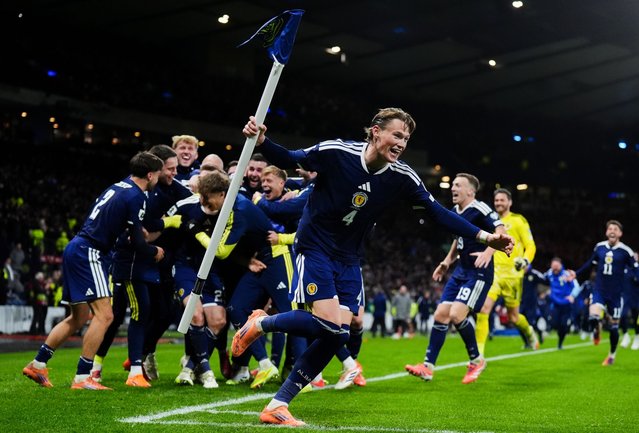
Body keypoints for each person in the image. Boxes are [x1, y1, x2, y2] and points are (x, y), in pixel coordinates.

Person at [232, 108, 514, 426]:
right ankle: (260, 324)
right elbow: (290, 158)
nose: (401, 143)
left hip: (350, 258)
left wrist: (485, 236)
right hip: (315, 247)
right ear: (376, 131)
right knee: (327, 325)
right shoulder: (337, 152)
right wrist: (263, 141)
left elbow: (438, 213)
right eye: (397, 135)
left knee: (339, 335)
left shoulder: (401, 177)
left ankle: (277, 405)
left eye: (406, 139)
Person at [22, 152, 165, 389]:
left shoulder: (118, 187)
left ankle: (38, 364)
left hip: (76, 247)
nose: (158, 180)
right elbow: (139, 244)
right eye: (158, 175)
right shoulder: (137, 196)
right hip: (91, 252)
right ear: (150, 175)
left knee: (77, 318)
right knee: (105, 315)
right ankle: (83, 377)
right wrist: (155, 251)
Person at [405, 173, 504, 384]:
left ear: (470, 191)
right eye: (452, 185)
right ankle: (428, 367)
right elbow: (458, 239)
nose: (452, 188)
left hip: (478, 272)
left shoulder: (480, 208)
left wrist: (488, 252)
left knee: (457, 314)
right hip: (460, 270)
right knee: (441, 314)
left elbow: (501, 229)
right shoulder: (454, 212)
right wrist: (446, 262)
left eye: (457, 185)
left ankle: (477, 361)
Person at [475, 188, 538, 355]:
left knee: (513, 318)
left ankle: (530, 333)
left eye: (502, 200)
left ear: (510, 202)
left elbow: (530, 245)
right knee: (483, 309)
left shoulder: (518, 221)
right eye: (496, 200)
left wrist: (525, 261)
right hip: (493, 273)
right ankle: (478, 356)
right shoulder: (489, 221)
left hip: (513, 275)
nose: (498, 203)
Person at [569, 220, 639, 365]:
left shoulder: (626, 251)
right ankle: (597, 329)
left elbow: (636, 270)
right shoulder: (599, 247)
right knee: (593, 317)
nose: (612, 231)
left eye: (615, 229)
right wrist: (576, 273)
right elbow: (590, 263)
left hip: (616, 295)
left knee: (614, 328)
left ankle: (612, 354)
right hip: (599, 290)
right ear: (607, 232)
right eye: (610, 229)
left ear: (620, 234)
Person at [543, 257, 581, 349]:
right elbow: (542, 278)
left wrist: (572, 296)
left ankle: (560, 343)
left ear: (560, 266)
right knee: (553, 322)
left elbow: (577, 286)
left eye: (556, 266)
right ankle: (545, 331)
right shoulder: (549, 273)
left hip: (566, 304)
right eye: (553, 266)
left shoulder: (567, 274)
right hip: (555, 303)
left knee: (563, 325)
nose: (555, 268)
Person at [620, 252, 639, 349]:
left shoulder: (637, 269)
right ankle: (626, 335)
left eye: (636, 256)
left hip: (636, 297)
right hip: (625, 297)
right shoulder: (625, 269)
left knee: (636, 318)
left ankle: (637, 337)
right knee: (622, 315)